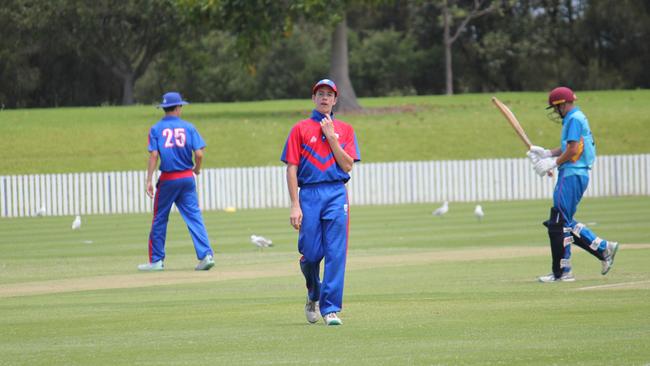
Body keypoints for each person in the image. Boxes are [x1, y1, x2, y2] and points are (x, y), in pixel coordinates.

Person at [281, 79, 361, 325]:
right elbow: (292, 168)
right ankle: (313, 293)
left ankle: (330, 309)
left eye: (329, 94)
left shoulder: (345, 130)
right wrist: (295, 204)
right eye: (320, 94)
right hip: (310, 195)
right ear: (314, 98)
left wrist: (332, 138)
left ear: (335, 100)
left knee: (336, 253)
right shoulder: (300, 129)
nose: (325, 98)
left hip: (336, 192)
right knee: (311, 253)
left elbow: (348, 165)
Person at [528, 86, 619, 282]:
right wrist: (546, 153)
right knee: (561, 221)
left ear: (562, 104)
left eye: (555, 107)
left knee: (559, 222)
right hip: (574, 174)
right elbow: (566, 147)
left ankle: (563, 272)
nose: (555, 111)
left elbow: (573, 149)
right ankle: (603, 248)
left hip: (572, 173)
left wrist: (553, 162)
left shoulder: (574, 119)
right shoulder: (574, 118)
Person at [138, 91, 215, 272]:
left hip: (168, 179)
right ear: (179, 107)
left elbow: (154, 155)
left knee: (160, 218)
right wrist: (197, 169)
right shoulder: (189, 127)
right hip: (187, 178)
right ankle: (206, 255)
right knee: (194, 217)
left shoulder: (156, 129)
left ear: (164, 108)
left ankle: (156, 261)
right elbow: (199, 153)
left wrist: (149, 180)